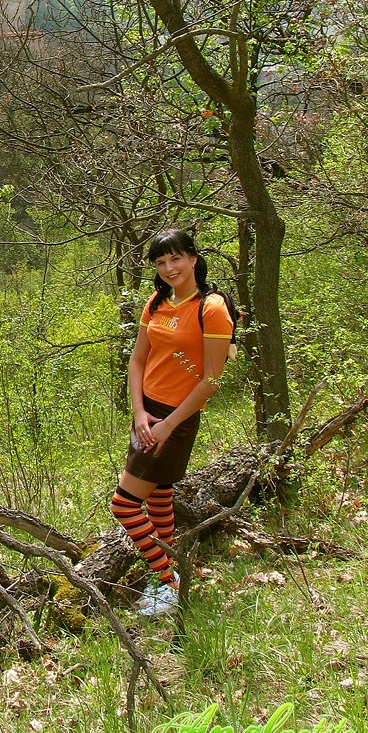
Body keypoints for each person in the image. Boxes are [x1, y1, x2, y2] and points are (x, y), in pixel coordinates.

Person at [110, 229, 233, 616]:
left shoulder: (211, 307)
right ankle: (165, 572)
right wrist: (139, 412)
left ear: (193, 259)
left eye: (175, 259)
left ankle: (169, 580)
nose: (169, 268)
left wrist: (166, 425)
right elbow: (137, 360)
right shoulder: (157, 301)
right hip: (147, 412)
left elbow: (211, 380)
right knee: (160, 496)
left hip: (176, 417)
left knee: (125, 506)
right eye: (161, 263)